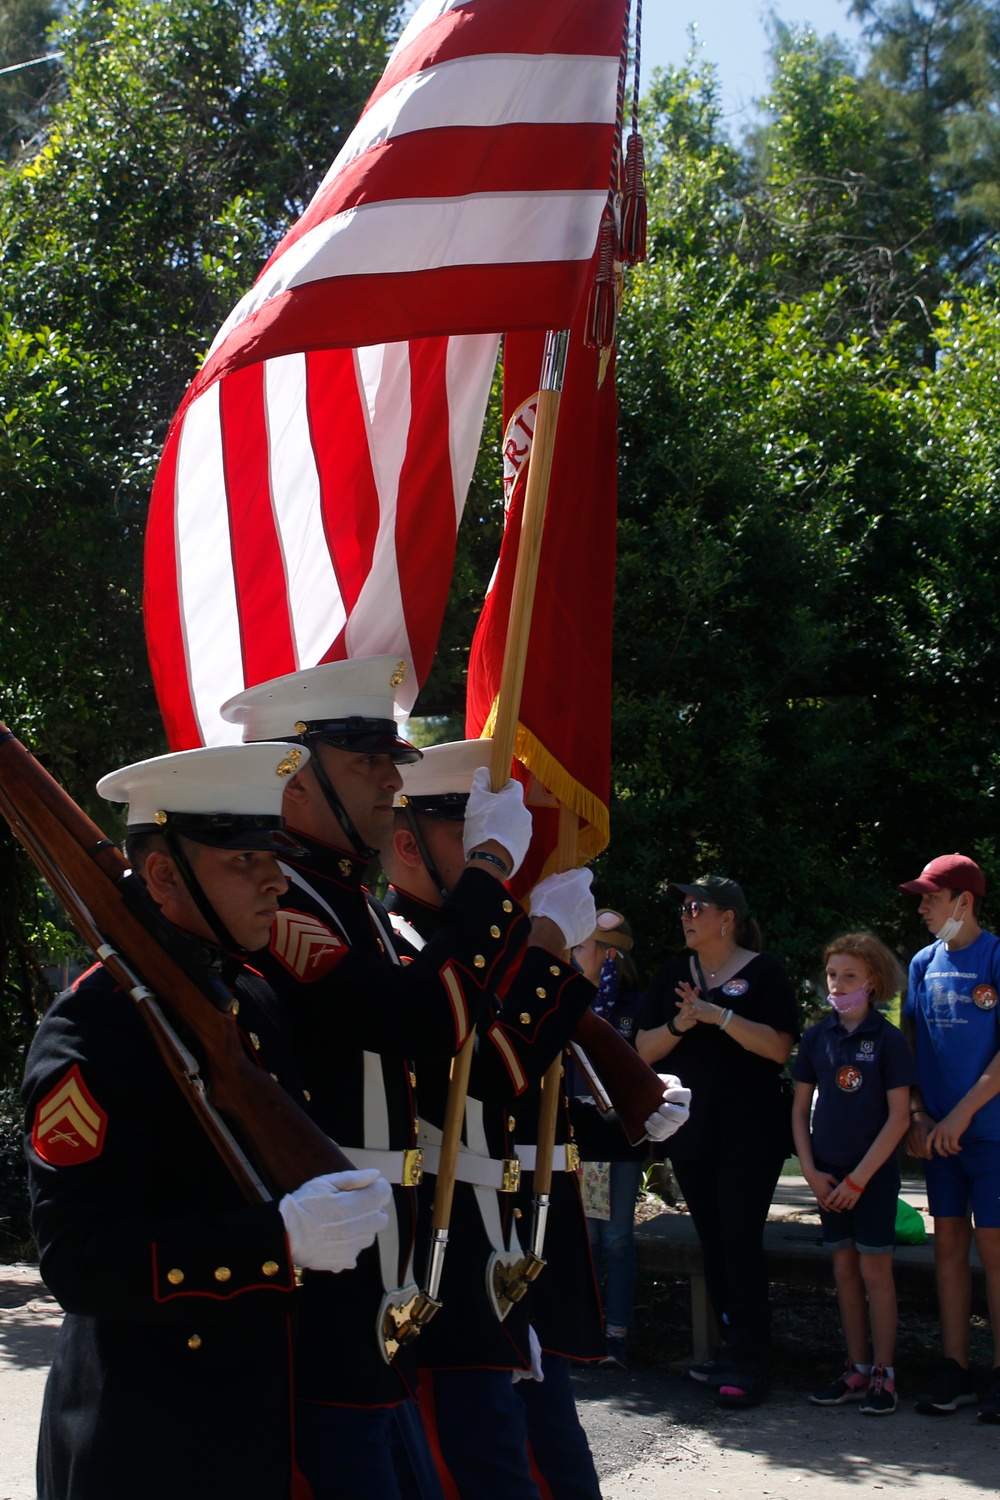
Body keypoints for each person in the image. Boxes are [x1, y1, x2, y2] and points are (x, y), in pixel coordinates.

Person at [22, 742, 392, 1500]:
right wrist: (274, 1242)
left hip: (258, 1418)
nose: (275, 880)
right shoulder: (92, 1030)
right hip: (147, 1439)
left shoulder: (247, 998)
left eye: (273, 857)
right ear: (163, 875)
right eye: (244, 860)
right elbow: (81, 1259)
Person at [220, 659, 536, 1499]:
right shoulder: (282, 900)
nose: (393, 781)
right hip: (330, 1276)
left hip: (386, 1266)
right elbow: (419, 1020)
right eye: (367, 762)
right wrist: (489, 870)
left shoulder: (345, 897)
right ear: (292, 779)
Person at [382, 738, 601, 1499]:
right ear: (408, 846)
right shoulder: (404, 948)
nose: (502, 848)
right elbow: (489, 1078)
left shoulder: (479, 945)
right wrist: (549, 947)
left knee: (550, 1464)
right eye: (470, 831)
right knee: (490, 1467)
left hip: (499, 1248)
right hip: (441, 1257)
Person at [636, 875, 798, 1408]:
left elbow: (778, 1048)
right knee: (713, 1242)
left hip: (751, 1133)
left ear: (727, 918)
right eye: (683, 907)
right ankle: (731, 1349)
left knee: (739, 1240)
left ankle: (750, 1361)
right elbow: (642, 1050)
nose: (685, 915)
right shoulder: (671, 975)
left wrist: (721, 1016)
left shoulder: (766, 972)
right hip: (691, 1131)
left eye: (696, 907)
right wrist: (681, 1023)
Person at [792, 932, 915, 1415]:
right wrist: (810, 1171)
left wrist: (860, 1179)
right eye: (832, 975)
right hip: (828, 1176)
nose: (838, 985)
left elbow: (899, 1117)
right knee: (843, 1269)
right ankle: (857, 1367)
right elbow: (799, 1110)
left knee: (874, 1270)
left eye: (850, 976)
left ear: (873, 982)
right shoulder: (816, 1037)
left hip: (872, 1177)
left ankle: (885, 1372)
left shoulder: (888, 1040)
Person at [898, 853, 1000, 1422]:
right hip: (937, 1139)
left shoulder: (996, 956)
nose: (923, 908)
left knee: (996, 1250)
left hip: (990, 1136)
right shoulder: (922, 963)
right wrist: (917, 1114)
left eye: (931, 898)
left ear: (964, 901)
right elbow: (909, 1043)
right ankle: (955, 1369)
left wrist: (960, 1116)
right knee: (948, 1249)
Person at [570, 909, 647, 1371]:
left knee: (617, 1236)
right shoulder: (568, 1000)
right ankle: (585, 1331)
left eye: (582, 947)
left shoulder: (635, 1007)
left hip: (619, 1137)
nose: (573, 954)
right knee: (587, 1237)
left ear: (609, 955)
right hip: (579, 1135)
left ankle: (616, 1334)